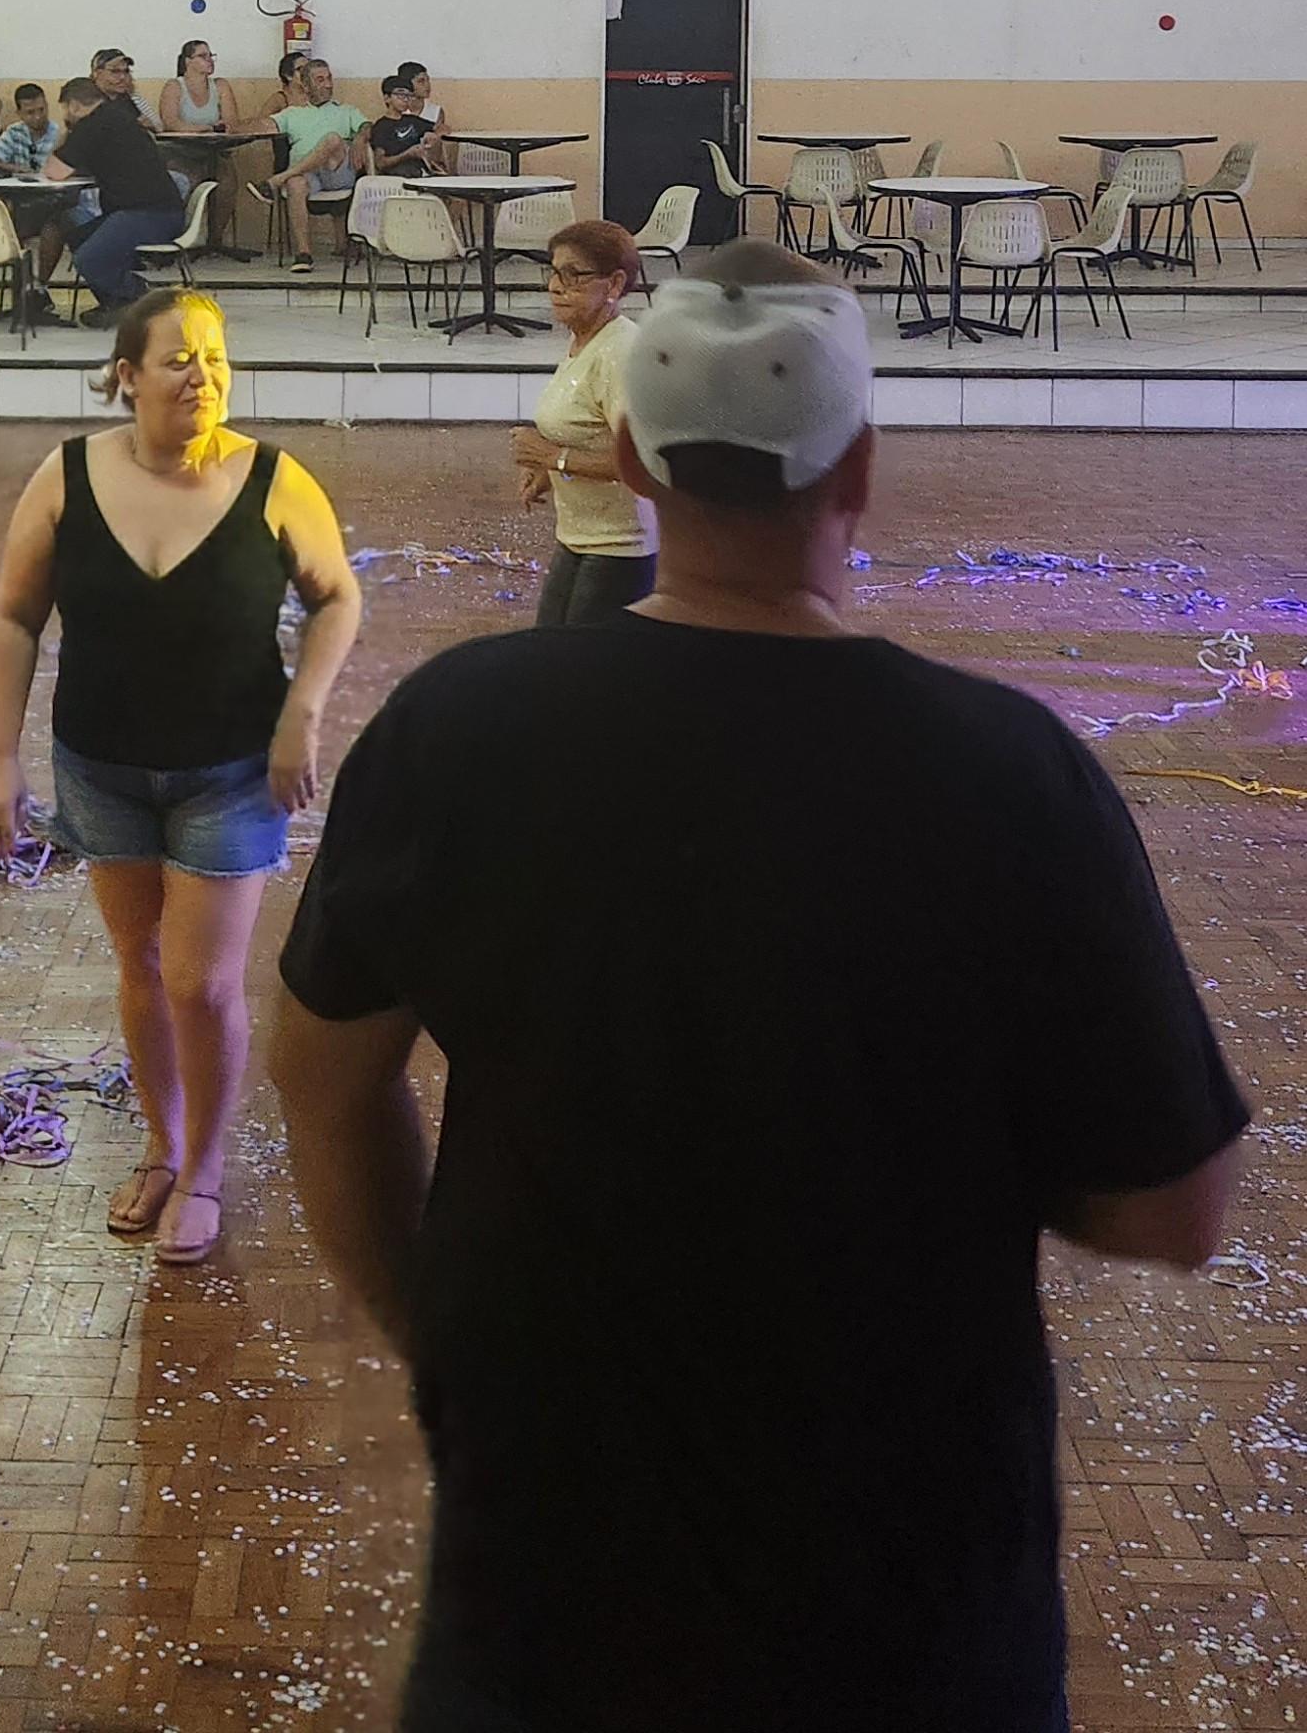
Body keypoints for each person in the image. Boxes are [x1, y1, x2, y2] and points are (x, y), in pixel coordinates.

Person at [271, 242, 1247, 1733]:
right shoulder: (1004, 777)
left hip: (546, 1556)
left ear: (637, 472)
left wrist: (439, 1342)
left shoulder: (458, 730)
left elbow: (320, 1083)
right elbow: (1171, 1213)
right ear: (854, 464)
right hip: (906, 1585)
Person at [0, 290, 359, 1266]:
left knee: (199, 981)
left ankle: (202, 1166)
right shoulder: (66, 476)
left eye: (214, 357)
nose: (201, 375)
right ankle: (160, 1143)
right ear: (125, 373)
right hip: (100, 765)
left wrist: (303, 712)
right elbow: (16, 617)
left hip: (231, 771)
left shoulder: (273, 479)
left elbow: (335, 597)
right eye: (178, 359)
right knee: (140, 965)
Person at [509, 216, 655, 626]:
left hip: (620, 550)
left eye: (573, 276)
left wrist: (554, 458)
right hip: (581, 539)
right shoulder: (584, 341)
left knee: (580, 678)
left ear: (613, 285)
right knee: (552, 664)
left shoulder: (621, 352)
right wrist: (547, 474)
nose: (556, 287)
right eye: (554, 273)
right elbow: (589, 430)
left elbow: (645, 463)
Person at [45, 74, 187, 312]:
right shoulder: (119, 116)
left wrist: (67, 133)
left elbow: (54, 171)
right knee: (77, 234)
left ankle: (145, 298)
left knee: (87, 259)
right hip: (162, 212)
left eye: (66, 109)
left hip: (147, 215)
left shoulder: (91, 125)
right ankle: (115, 305)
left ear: (74, 105)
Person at [0, 81, 97, 302]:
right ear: (19, 113)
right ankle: (31, 291)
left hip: (52, 200)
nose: (37, 117)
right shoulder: (14, 133)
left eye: (41, 110)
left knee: (24, 223)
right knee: (4, 217)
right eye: (30, 112)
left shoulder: (60, 134)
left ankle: (33, 288)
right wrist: (16, 168)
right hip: (22, 200)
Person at [267, 58, 368, 274]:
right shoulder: (292, 113)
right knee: (295, 183)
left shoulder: (346, 110)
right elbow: (264, 124)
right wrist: (233, 126)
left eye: (329, 78)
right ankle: (304, 253)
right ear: (305, 85)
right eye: (320, 80)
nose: (328, 84)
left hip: (337, 174)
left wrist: (360, 138)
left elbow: (367, 126)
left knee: (332, 139)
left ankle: (279, 178)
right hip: (310, 178)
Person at [157, 38, 242, 138]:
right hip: (180, 147)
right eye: (203, 56)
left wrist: (223, 127)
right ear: (188, 61)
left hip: (216, 146)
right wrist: (209, 128)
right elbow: (170, 123)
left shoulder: (221, 86)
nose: (209, 60)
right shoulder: (174, 87)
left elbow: (231, 122)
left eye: (210, 55)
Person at [366, 74, 445, 178]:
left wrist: (433, 135)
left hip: (422, 172)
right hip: (399, 176)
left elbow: (443, 128)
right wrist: (407, 155)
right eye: (401, 95)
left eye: (409, 96)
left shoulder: (412, 120)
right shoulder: (381, 127)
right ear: (387, 98)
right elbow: (380, 163)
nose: (405, 100)